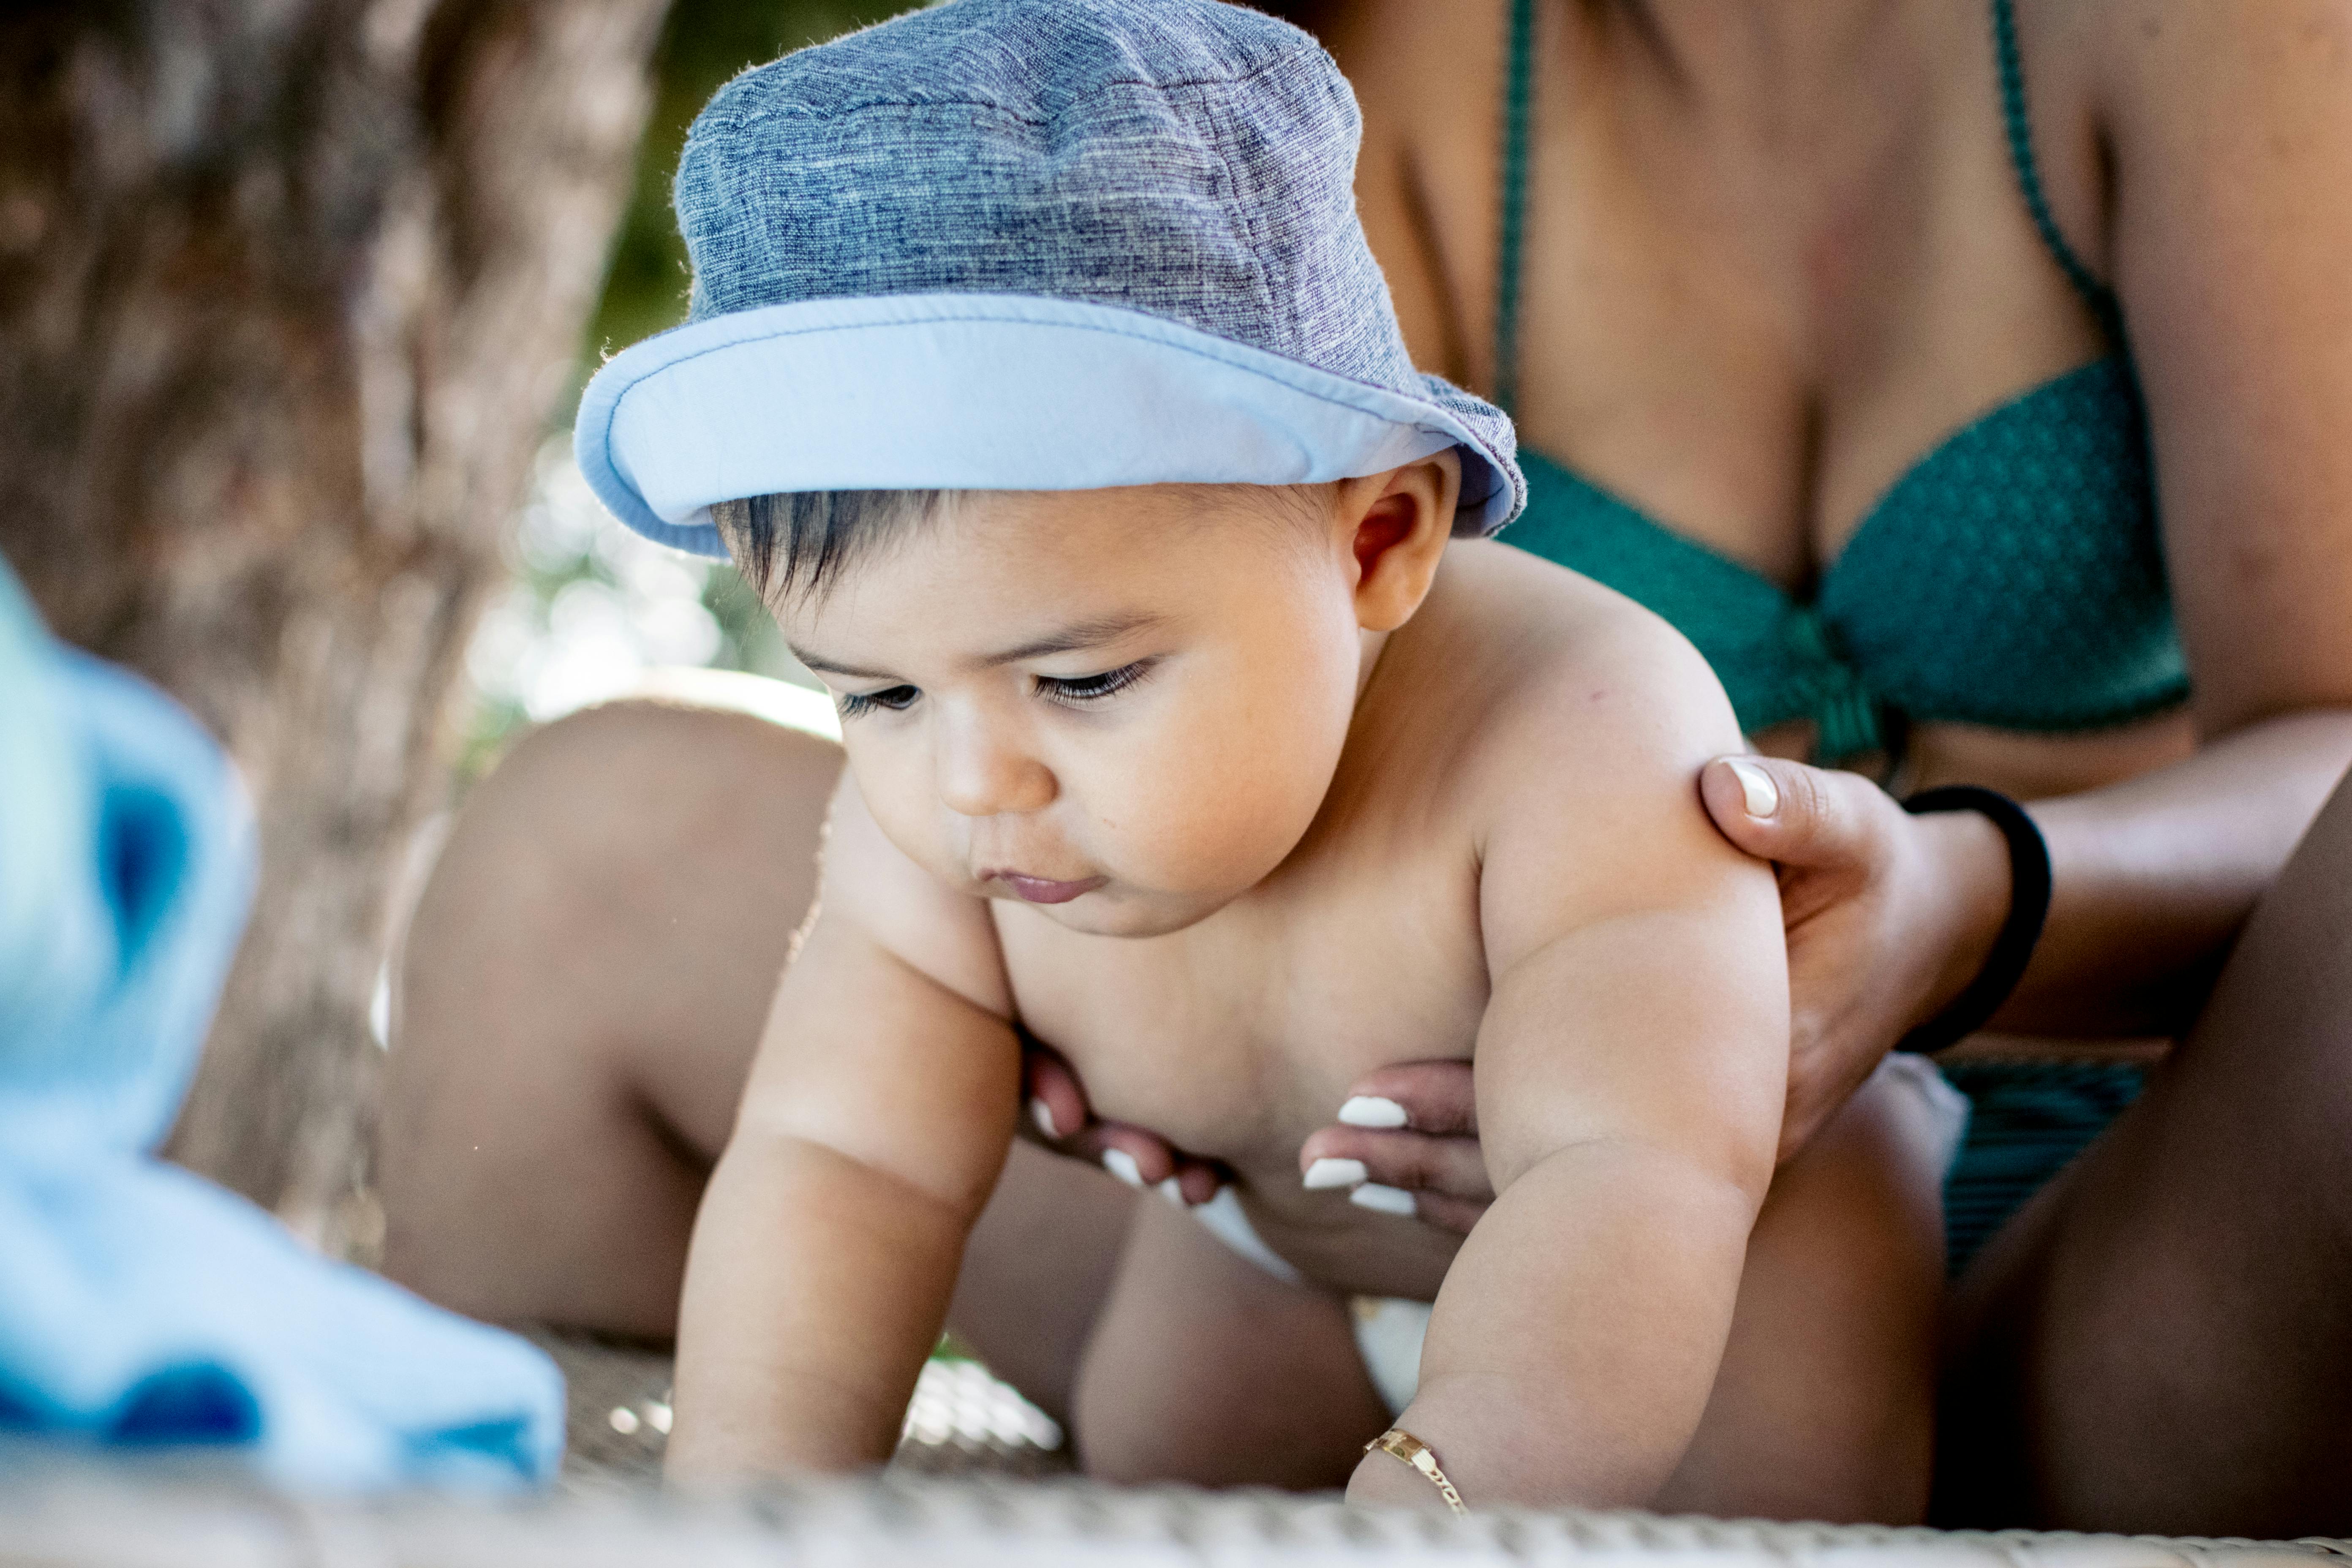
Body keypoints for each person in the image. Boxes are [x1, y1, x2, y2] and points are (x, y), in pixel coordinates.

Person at [381, 0, 2352, 1534]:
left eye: (1075, 682)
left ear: (1391, 540)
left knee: (1762, 1382)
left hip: (1950, 1212)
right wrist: (757, 1504)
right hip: (1295, 1204)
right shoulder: (1324, 87)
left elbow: (1633, 1166)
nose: (962, 780)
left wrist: (1958, 905)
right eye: (873, 694)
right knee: (590, 852)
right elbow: (845, 1156)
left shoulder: (1591, 720)